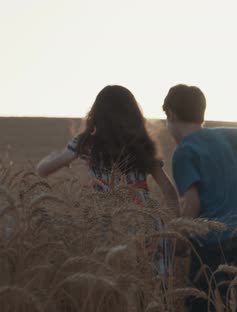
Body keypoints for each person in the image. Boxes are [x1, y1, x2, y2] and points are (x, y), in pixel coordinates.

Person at [36, 85, 180, 275]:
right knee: (154, 291)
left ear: (96, 114)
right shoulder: (142, 145)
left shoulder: (85, 143)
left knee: (116, 286)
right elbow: (169, 192)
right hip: (149, 226)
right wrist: (175, 229)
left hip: (111, 225)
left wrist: (61, 156)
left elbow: (42, 170)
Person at [162, 84, 237, 311]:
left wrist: (179, 241)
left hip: (210, 240)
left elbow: (193, 203)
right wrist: (216, 135)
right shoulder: (223, 137)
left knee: (200, 301)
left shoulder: (184, 152)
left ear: (170, 114)